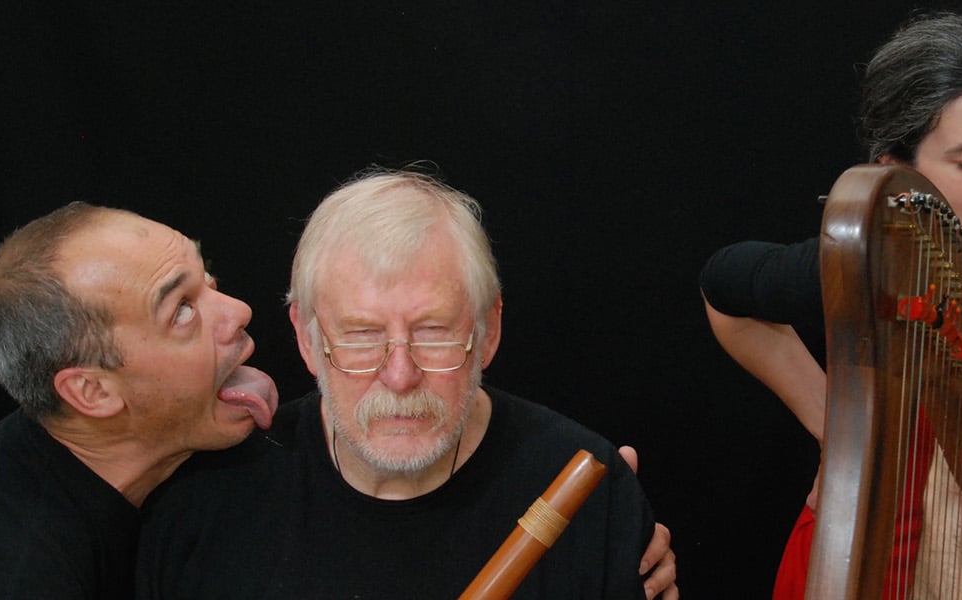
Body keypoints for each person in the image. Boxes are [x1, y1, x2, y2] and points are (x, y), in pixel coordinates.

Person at [137, 170, 678, 599]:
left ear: (488, 332)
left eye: (435, 333)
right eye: (361, 335)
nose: (399, 376)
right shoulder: (205, 499)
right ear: (305, 337)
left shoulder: (589, 492)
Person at [698, 13, 962, 597]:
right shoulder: (869, 265)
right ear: (898, 175)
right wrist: (838, 427)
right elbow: (722, 288)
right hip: (857, 566)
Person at [0, 202, 280, 598]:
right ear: (94, 391)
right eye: (182, 311)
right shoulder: (11, 574)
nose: (239, 310)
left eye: (207, 280)